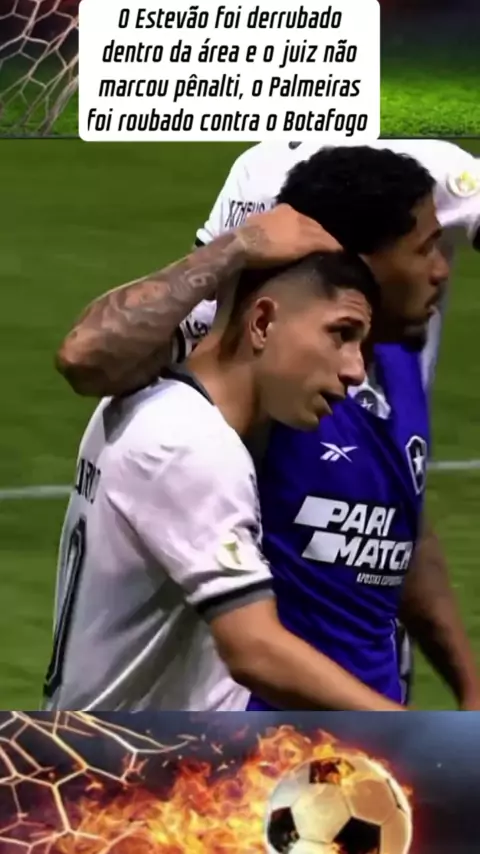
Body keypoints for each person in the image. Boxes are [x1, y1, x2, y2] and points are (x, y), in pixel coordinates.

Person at [54, 144, 480, 709]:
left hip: (358, 718)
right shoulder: (214, 404)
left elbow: (399, 525)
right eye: (425, 248)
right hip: (242, 735)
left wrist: (467, 686)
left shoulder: (394, 366)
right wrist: (237, 248)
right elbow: (85, 355)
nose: (441, 271)